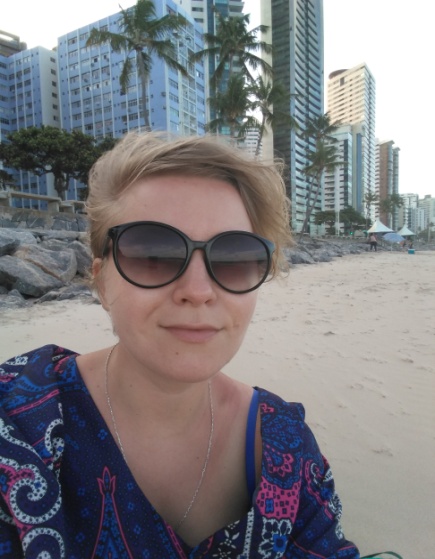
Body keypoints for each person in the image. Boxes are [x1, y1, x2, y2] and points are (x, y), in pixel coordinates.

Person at [0, 133, 359, 558]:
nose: (198, 291)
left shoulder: (286, 444)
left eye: (233, 258)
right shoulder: (19, 422)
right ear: (101, 282)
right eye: (153, 255)